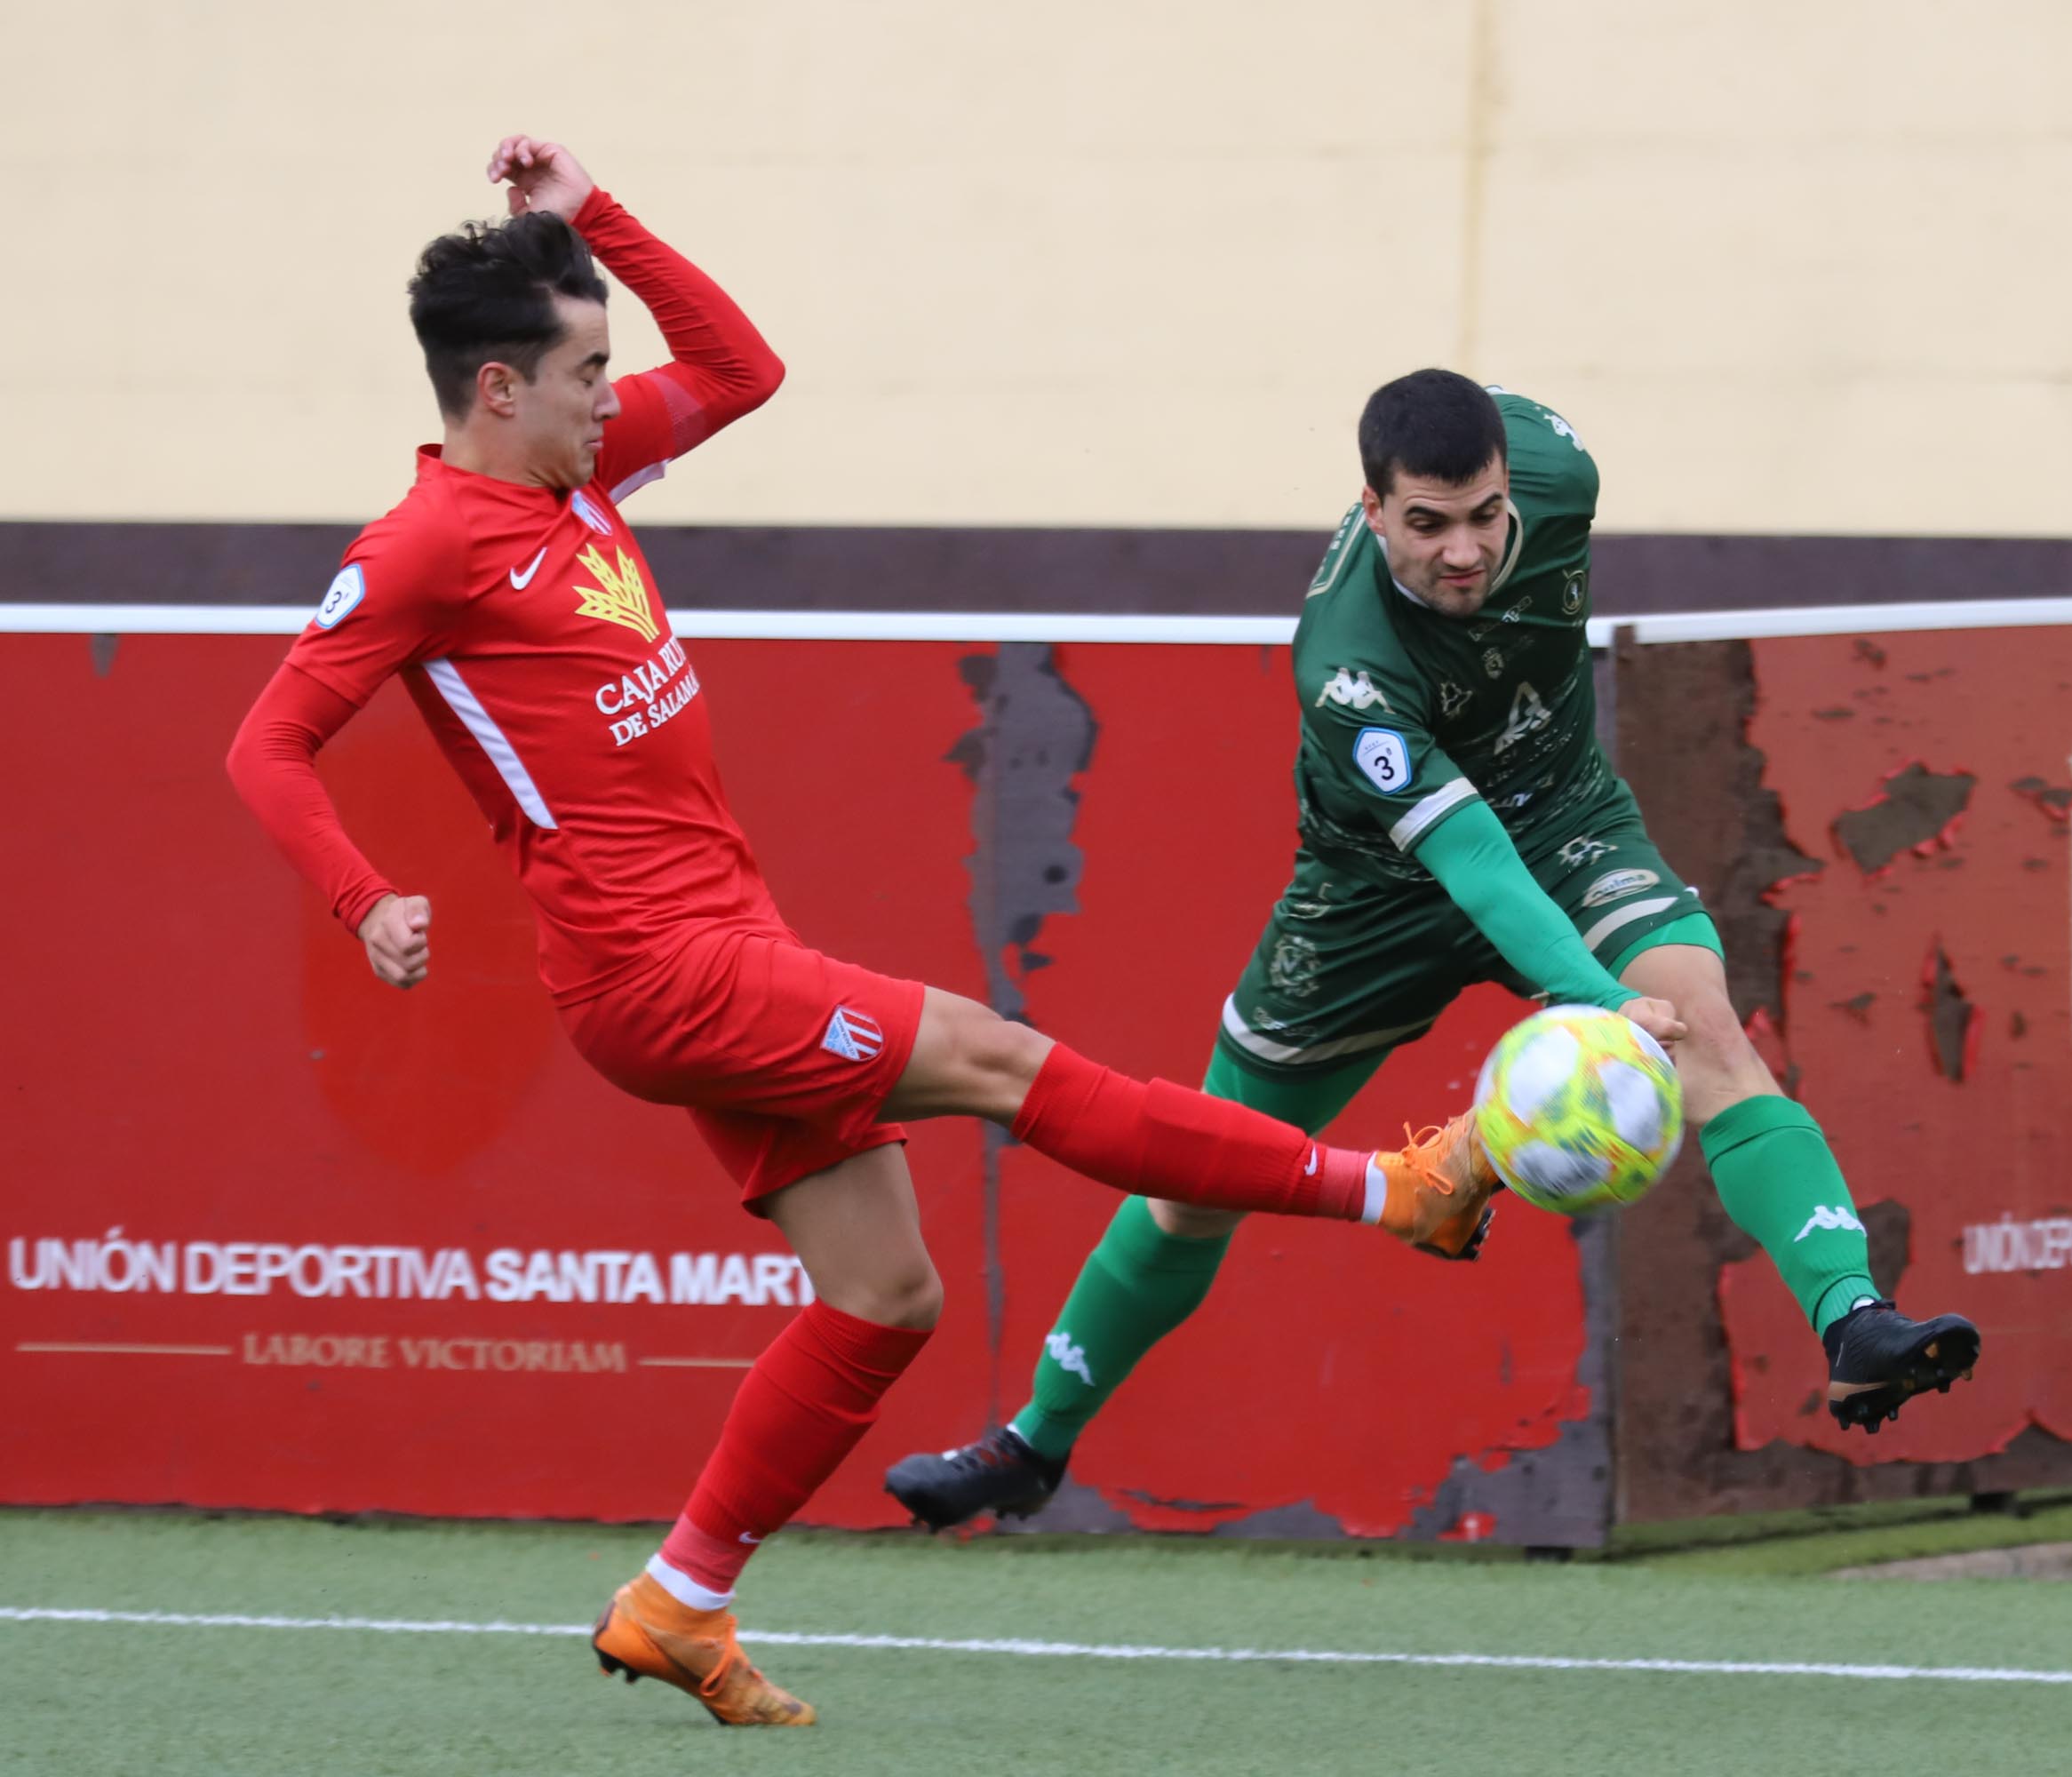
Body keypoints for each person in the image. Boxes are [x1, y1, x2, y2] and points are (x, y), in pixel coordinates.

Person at [222, 140, 1494, 1729]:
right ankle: (1397, 1189)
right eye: (586, 369)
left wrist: (593, 215)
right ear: (497, 389)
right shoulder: (424, 546)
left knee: (887, 1293)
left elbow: (746, 368)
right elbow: (266, 743)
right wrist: (365, 896)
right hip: (655, 974)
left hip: (722, 935)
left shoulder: (585, 473)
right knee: (1000, 1057)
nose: (616, 394)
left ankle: (679, 1601)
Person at [887, 371, 1981, 1531]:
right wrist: (1600, 1000)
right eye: (1426, 524)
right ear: (1371, 510)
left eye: (1483, 517)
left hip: (1567, 824)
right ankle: (1032, 1444)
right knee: (1196, 1181)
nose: (1463, 552)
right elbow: (1471, 869)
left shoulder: (1562, 472)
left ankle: (1854, 1322)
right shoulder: (1347, 665)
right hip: (1377, 896)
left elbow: (1523, 855)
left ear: (1513, 486)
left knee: (1709, 1032)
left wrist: (1622, 1000)